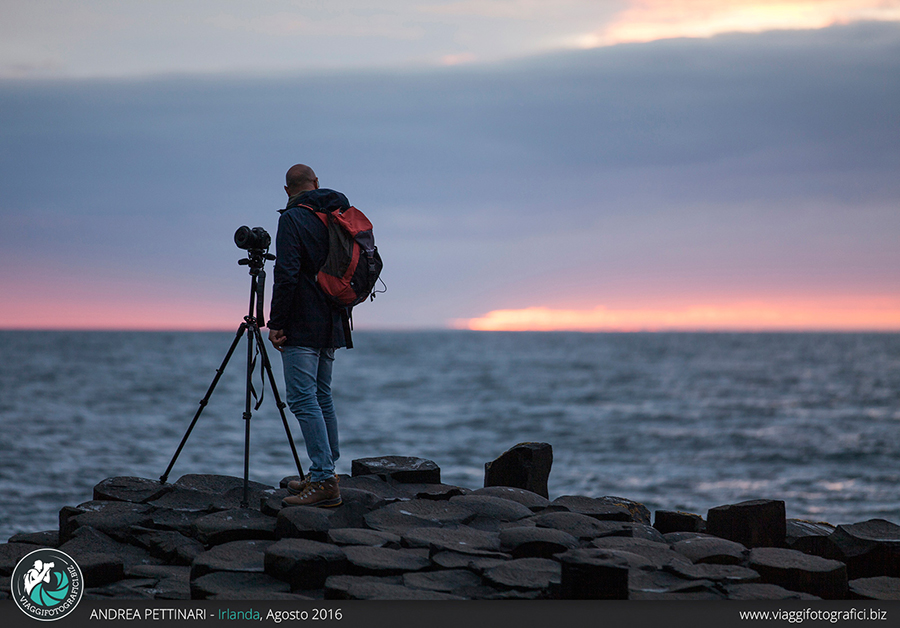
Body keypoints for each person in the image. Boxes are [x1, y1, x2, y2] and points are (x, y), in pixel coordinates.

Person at [268, 164, 347, 508]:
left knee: (302, 399)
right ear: (316, 183)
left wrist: (276, 322)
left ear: (287, 190)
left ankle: (324, 479)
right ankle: (325, 471)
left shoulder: (292, 218)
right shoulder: (334, 214)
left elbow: (286, 273)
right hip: (334, 317)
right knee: (321, 395)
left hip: (302, 320)